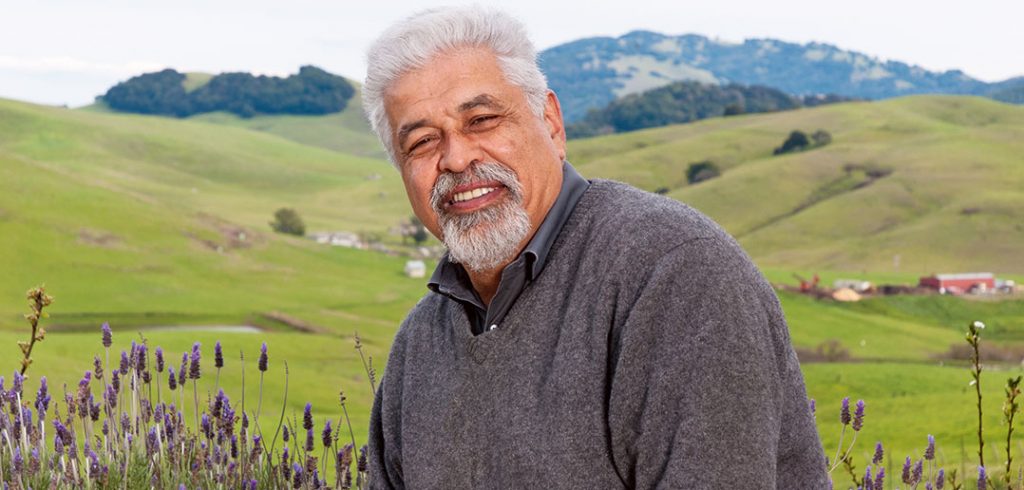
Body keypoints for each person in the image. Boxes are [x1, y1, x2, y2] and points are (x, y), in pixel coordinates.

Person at [362, 6, 828, 489]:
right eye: (421, 142)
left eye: (481, 119)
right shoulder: (419, 346)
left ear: (551, 124)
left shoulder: (674, 274)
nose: (456, 158)